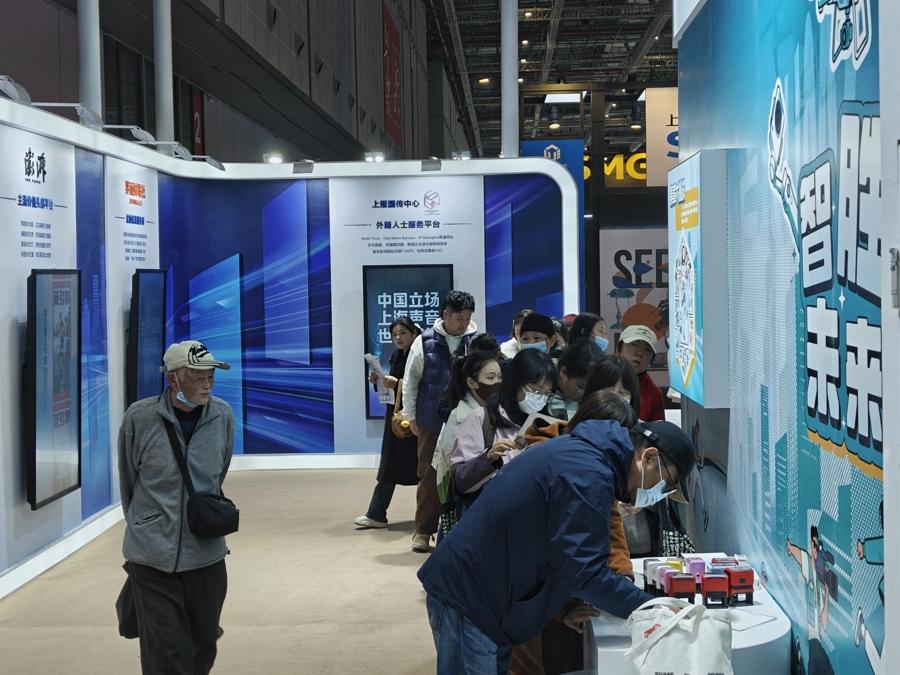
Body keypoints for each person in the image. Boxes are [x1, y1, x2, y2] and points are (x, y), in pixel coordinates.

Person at [419, 419, 696, 674]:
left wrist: (562, 606)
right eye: (666, 483)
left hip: (488, 595)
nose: (659, 494)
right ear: (648, 458)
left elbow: (559, 549)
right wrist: (650, 607)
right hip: (470, 596)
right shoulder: (588, 473)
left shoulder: (586, 460)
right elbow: (585, 572)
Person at [118, 340, 235, 675]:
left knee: (203, 644)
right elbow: (129, 481)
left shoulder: (222, 415)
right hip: (152, 556)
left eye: (210, 376)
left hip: (206, 553)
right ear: (173, 379)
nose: (207, 384)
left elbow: (218, 473)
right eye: (198, 377)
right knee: (166, 651)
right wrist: (146, 524)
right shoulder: (139, 418)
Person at [512, 390, 638, 675]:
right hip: (518, 588)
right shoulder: (567, 462)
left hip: (551, 590)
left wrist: (622, 575)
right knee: (525, 664)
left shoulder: (597, 464)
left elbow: (611, 523)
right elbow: (545, 548)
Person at [402, 290, 479, 552]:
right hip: (432, 421)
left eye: (467, 318)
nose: (464, 323)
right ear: (445, 314)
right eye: (459, 318)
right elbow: (411, 382)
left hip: (469, 420)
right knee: (429, 475)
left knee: (470, 473)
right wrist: (411, 416)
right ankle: (423, 531)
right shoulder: (423, 342)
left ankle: (461, 532)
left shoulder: (476, 341)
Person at [450, 349, 556, 506]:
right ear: (515, 382)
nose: (540, 398)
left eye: (546, 394)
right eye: (535, 390)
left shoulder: (548, 425)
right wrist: (489, 459)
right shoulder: (481, 418)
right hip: (491, 513)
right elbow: (461, 481)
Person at [355, 317, 422, 529]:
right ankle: (376, 513)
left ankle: (432, 516)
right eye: (394, 334)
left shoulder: (420, 354)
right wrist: (380, 381)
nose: (398, 338)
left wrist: (398, 383)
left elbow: (424, 385)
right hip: (395, 419)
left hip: (414, 420)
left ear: (414, 333)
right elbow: (393, 386)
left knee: (425, 469)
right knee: (389, 466)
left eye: (403, 333)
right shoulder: (396, 355)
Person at [432, 352, 503, 540]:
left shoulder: (493, 410)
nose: (497, 382)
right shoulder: (461, 416)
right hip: (460, 495)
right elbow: (451, 465)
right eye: (490, 378)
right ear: (472, 383)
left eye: (499, 377)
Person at [545, 340, 604, 420]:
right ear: (563, 372)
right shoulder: (538, 390)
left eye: (592, 388)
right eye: (581, 387)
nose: (586, 393)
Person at [617, 325, 665, 421]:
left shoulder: (654, 394)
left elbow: (658, 428)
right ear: (619, 349)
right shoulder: (602, 377)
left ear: (651, 360)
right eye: (634, 344)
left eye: (647, 350)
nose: (639, 353)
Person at [584, 354, 641, 419]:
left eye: (622, 394)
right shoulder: (578, 424)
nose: (614, 399)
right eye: (607, 393)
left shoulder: (640, 425)